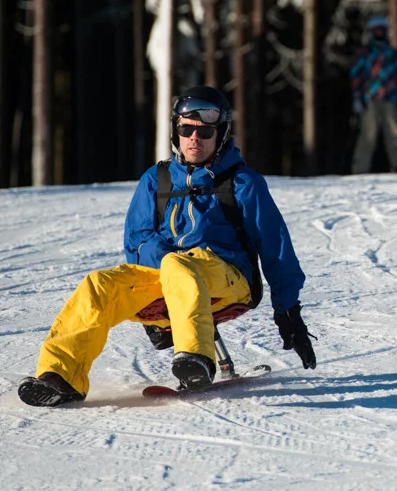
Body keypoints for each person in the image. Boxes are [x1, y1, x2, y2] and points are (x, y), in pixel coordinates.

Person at [17, 86, 316, 406]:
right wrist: (160, 286)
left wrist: (289, 311)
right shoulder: (156, 180)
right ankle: (61, 377)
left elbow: (276, 246)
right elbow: (136, 240)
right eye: (186, 130)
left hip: (227, 278)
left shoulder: (242, 182)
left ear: (222, 134)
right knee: (99, 284)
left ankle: (197, 358)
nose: (194, 139)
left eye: (205, 132)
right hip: (169, 275)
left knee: (180, 266)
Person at [350, 15, 397, 173]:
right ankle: (360, 169)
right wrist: (357, 96)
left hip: (391, 99)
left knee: (395, 135)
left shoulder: (393, 54)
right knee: (367, 136)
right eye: (376, 31)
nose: (379, 33)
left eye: (381, 30)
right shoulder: (365, 54)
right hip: (369, 99)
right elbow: (356, 75)